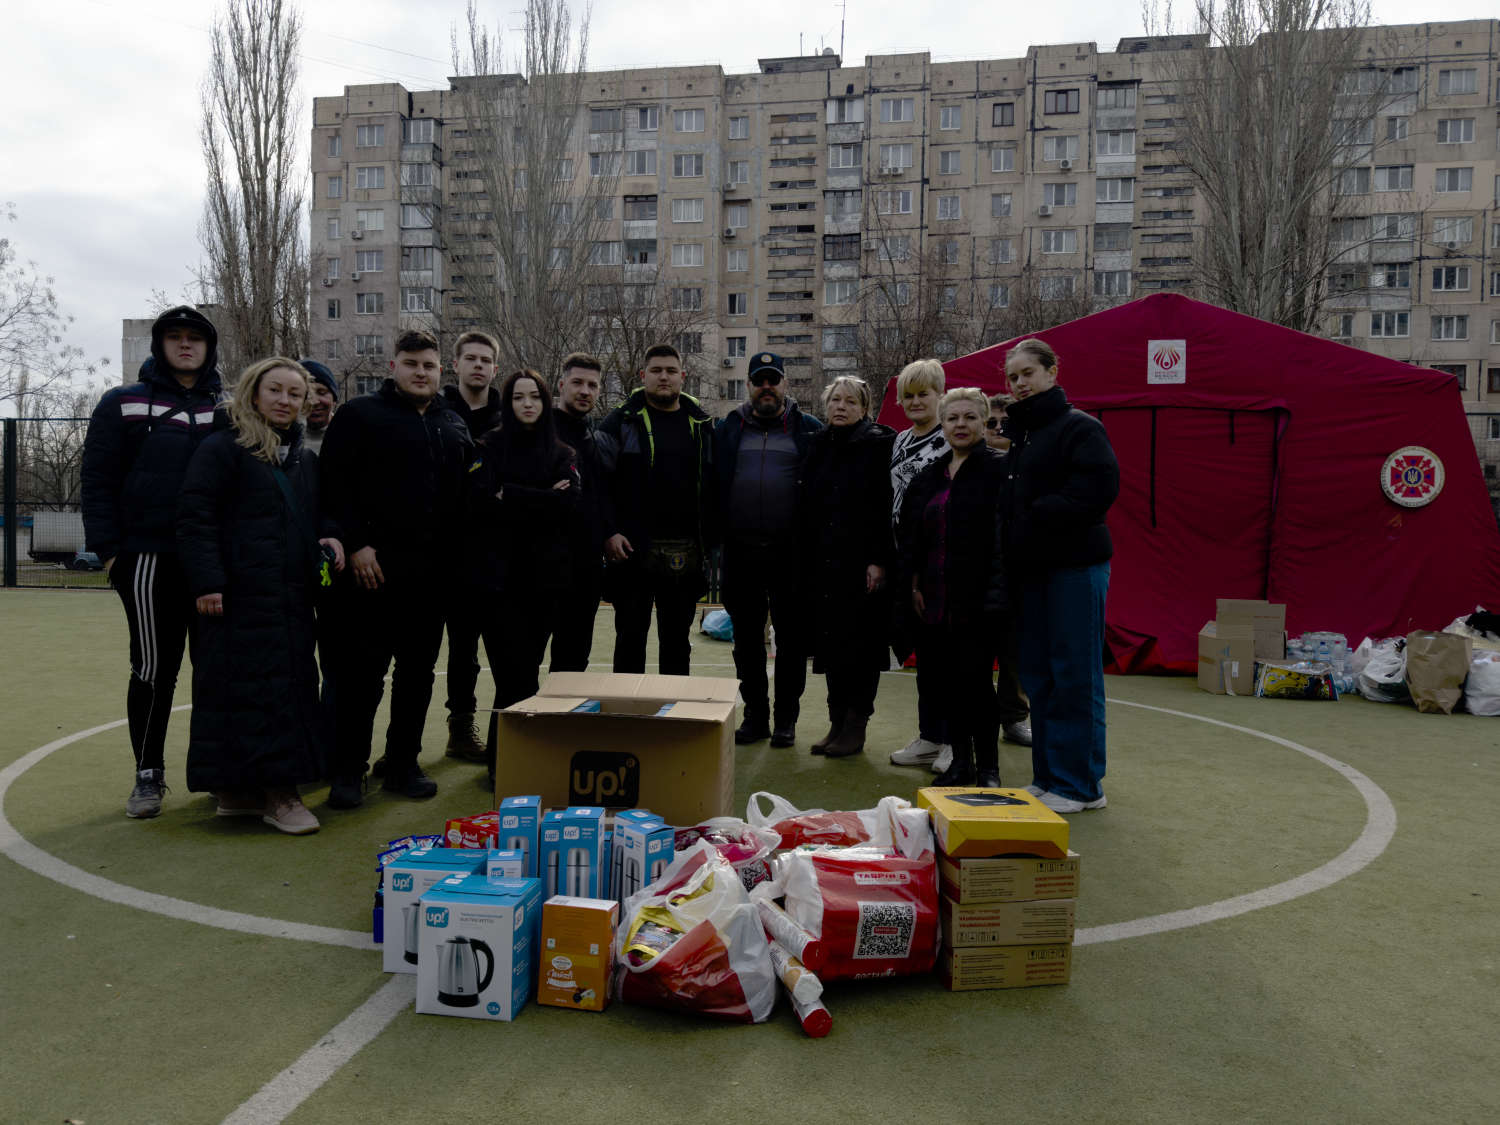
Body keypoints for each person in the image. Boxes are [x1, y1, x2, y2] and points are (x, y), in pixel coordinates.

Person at [175, 358, 345, 835]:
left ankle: (259, 790)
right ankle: (265, 794)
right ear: (254, 394)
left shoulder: (303, 459)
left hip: (288, 599)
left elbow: (319, 514)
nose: (286, 401)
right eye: (276, 390)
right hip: (234, 598)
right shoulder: (221, 450)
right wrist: (207, 581)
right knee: (236, 690)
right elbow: (195, 517)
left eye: (295, 393)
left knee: (285, 689)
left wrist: (330, 536)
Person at [318, 329, 473, 807]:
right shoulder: (359, 415)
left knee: (418, 675)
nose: (420, 372)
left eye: (428, 365)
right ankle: (348, 772)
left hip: (433, 577)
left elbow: (465, 497)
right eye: (411, 364)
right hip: (372, 574)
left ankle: (402, 765)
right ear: (393, 367)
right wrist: (358, 543)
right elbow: (333, 487)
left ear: (440, 371)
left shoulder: (453, 422)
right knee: (363, 676)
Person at [81, 305, 225, 819]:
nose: (185, 345)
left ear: (209, 348)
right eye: (175, 337)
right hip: (146, 558)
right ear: (159, 345)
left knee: (214, 668)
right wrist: (112, 552)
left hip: (211, 561)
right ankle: (148, 774)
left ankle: (219, 774)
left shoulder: (226, 408)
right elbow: (97, 480)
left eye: (195, 338)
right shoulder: (122, 403)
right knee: (153, 667)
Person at [995, 338, 1120, 813]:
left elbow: (1096, 491)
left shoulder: (1080, 428)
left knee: (1074, 675)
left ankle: (1081, 786)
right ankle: (1049, 777)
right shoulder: (1021, 436)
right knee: (1040, 676)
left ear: (1052, 372)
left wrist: (1031, 515)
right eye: (1012, 377)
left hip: (1074, 568)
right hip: (1032, 571)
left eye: (1028, 373)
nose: (1020, 383)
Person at [466, 370, 581, 781]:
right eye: (518, 397)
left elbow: (568, 507)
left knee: (528, 673)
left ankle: (519, 762)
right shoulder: (488, 446)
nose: (527, 404)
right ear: (508, 403)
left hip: (545, 583)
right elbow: (480, 501)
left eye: (535, 397)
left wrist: (511, 494)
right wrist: (544, 498)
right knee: (511, 674)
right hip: (499, 583)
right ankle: (504, 764)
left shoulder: (562, 451)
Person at [897, 387, 1009, 788]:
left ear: (984, 421)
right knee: (947, 683)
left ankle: (989, 769)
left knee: (977, 684)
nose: (961, 425)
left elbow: (1006, 538)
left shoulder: (1001, 470)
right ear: (942, 425)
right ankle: (960, 762)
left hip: (979, 599)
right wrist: (912, 582)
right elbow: (913, 536)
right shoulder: (929, 477)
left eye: (970, 417)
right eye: (952, 418)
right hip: (934, 598)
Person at [714, 352, 822, 746]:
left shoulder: (808, 429)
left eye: (773, 380)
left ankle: (785, 722)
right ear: (748, 386)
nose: (766, 387)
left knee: (791, 641)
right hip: (741, 552)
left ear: (785, 385)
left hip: (790, 554)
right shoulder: (729, 428)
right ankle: (756, 717)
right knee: (746, 642)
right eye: (759, 380)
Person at [598, 344, 718, 675]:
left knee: (677, 642)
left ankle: (672, 719)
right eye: (656, 370)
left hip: (686, 552)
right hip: (632, 551)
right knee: (630, 640)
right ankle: (629, 721)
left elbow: (713, 486)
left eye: (670, 371)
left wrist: (710, 542)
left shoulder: (702, 423)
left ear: (683, 376)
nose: (663, 377)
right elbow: (596, 481)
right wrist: (609, 530)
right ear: (643, 376)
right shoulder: (621, 421)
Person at [797, 375, 894, 758]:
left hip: (862, 564)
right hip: (824, 563)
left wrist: (878, 559)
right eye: (835, 399)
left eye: (850, 401)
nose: (841, 406)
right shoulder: (817, 444)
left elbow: (886, 506)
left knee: (862, 647)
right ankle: (836, 722)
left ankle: (856, 726)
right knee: (831, 646)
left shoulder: (879, 443)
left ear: (865, 407)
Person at [886, 358, 953, 771]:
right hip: (905, 558)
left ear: (939, 395)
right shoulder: (897, 441)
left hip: (942, 559)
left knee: (950, 655)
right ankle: (930, 735)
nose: (915, 402)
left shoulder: (952, 437)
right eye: (908, 396)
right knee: (925, 655)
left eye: (923, 394)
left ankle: (953, 739)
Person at [438, 330, 502, 762]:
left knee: (503, 649)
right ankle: (460, 728)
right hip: (447, 551)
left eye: (486, 360)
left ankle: (507, 735)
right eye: (471, 358)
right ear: (455, 364)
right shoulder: (437, 413)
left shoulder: (510, 415)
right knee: (460, 649)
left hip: (499, 552)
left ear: (495, 369)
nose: (478, 365)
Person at [550, 352, 615, 673]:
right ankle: (511, 727)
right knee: (520, 669)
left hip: (585, 571)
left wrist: (609, 532)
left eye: (592, 385)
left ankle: (564, 725)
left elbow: (599, 498)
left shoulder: (594, 438)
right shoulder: (536, 431)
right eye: (577, 382)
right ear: (561, 385)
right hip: (539, 569)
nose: (584, 391)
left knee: (573, 663)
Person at [300, 359, 340, 455]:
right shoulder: (278, 441)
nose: (314, 401)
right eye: (306, 394)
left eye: (321, 392)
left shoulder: (353, 435)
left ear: (334, 399)